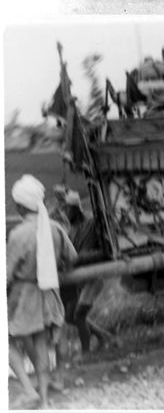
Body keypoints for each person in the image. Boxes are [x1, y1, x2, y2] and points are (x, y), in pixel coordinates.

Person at [7, 175, 77, 409]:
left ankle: (29, 390)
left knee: (6, 342)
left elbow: (6, 274)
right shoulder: (55, 227)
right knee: (41, 345)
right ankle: (45, 399)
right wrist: (58, 269)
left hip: (25, 296)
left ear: (19, 206)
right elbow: (72, 258)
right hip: (50, 294)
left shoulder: (18, 235)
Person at [61, 191, 110, 354]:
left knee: (79, 315)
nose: (65, 214)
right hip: (80, 278)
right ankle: (103, 336)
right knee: (69, 317)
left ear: (75, 209)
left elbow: (103, 251)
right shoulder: (71, 230)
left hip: (94, 277)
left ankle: (86, 353)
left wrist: (78, 259)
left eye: (67, 210)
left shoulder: (93, 224)